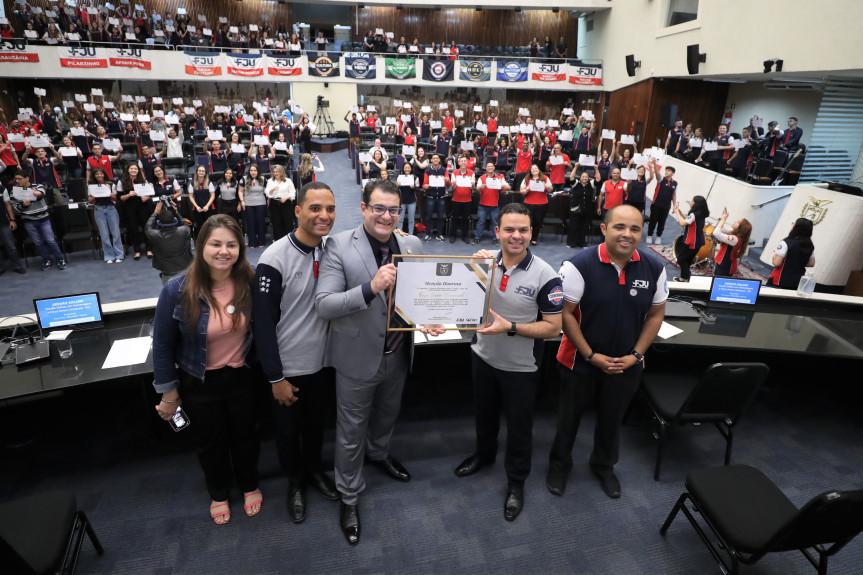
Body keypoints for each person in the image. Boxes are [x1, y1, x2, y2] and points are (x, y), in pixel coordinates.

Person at [314, 179, 425, 546]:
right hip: (357, 358)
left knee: (387, 415)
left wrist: (431, 316)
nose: (386, 216)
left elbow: (424, 295)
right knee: (350, 433)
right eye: (378, 208)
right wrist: (370, 288)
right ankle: (348, 497)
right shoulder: (338, 246)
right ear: (363, 208)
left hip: (398, 352)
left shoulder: (411, 244)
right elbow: (325, 304)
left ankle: (378, 454)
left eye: (393, 209)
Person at [548, 204, 667, 499]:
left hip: (626, 363)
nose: (627, 234)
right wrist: (590, 355)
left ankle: (603, 466)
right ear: (604, 229)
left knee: (612, 419)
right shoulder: (578, 265)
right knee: (568, 418)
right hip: (580, 361)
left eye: (635, 229)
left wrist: (636, 355)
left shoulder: (654, 268)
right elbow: (565, 314)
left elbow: (655, 315)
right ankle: (559, 465)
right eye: (619, 227)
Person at [454, 203, 563, 521]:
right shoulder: (485, 261)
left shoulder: (546, 274)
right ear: (497, 231)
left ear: (532, 232)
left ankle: (516, 482)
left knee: (519, 428)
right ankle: (484, 456)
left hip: (521, 368)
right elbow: (460, 297)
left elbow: (553, 327)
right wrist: (469, 267)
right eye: (510, 229)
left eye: (523, 230)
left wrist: (511, 327)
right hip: (483, 355)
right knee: (484, 415)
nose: (516, 236)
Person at [153, 214, 262, 526]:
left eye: (231, 244)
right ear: (200, 246)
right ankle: (218, 491)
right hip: (199, 380)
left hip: (242, 376)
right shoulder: (176, 289)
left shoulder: (249, 281)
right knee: (210, 442)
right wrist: (169, 393)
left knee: (247, 436)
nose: (223, 251)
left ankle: (249, 484)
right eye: (215, 244)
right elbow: (161, 345)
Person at [252, 182, 340, 524]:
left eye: (330, 209)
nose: (324, 215)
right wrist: (276, 377)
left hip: (323, 364)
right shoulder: (274, 258)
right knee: (288, 434)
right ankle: (295, 484)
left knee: (317, 426)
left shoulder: (332, 249)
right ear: (298, 211)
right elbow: (262, 325)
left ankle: (315, 471)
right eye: (315, 208)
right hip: (287, 370)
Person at [7, 172, 65, 270]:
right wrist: (23, 205)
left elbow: (41, 194)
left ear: (27, 178)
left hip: (43, 218)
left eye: (19, 178)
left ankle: (60, 259)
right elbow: (15, 208)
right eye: (15, 179)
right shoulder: (15, 192)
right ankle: (46, 260)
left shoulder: (38, 186)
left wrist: (32, 193)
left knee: (50, 240)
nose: (17, 181)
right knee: (38, 242)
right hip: (28, 220)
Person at [146, 199, 193, 284]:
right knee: (188, 293)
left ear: (159, 223)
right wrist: (176, 212)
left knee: (170, 294)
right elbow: (184, 223)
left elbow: (148, 226)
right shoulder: (184, 230)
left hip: (167, 271)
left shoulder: (155, 235)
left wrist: (156, 212)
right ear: (174, 221)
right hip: (185, 268)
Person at [87, 168, 124, 264]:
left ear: (104, 174)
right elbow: (90, 200)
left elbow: (116, 197)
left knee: (116, 233)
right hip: (99, 209)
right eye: (97, 174)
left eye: (101, 173)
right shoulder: (91, 186)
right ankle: (109, 256)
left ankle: (119, 254)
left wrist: (113, 196)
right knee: (104, 234)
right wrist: (92, 198)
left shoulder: (111, 184)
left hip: (111, 208)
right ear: (94, 176)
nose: (99, 175)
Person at [767, 218, 815, 289]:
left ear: (797, 228)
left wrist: (774, 257)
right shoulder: (810, 245)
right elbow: (811, 263)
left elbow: (776, 263)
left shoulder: (786, 243)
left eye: (793, 224)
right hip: (797, 281)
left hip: (780, 280)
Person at [672, 195, 710, 282]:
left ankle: (689, 277)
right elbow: (689, 220)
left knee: (681, 259)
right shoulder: (701, 213)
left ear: (696, 204)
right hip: (699, 240)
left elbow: (682, 223)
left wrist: (677, 213)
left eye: (692, 200)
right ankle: (682, 278)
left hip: (692, 241)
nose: (691, 202)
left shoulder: (694, 214)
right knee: (688, 260)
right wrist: (680, 212)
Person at [473, 161, 510, 245]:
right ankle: (477, 238)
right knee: (481, 222)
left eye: (491, 166)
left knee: (495, 223)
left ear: (494, 168)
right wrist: (481, 187)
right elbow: (477, 190)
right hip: (483, 205)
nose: (490, 168)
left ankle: (495, 238)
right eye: (488, 166)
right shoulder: (482, 178)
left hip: (495, 205)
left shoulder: (500, 177)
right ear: (486, 168)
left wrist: (504, 186)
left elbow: (509, 187)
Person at [712, 209, 752, 277]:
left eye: (738, 222)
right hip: (723, 263)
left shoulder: (735, 239)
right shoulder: (735, 234)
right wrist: (724, 217)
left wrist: (723, 219)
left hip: (726, 266)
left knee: (719, 283)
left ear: (741, 228)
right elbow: (722, 228)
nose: (735, 222)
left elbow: (716, 233)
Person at [519, 163, 552, 246]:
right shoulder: (526, 179)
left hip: (542, 204)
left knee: (538, 222)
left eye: (536, 168)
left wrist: (547, 186)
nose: (534, 170)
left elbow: (550, 189)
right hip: (529, 203)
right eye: (532, 169)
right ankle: (527, 238)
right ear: (530, 171)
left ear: (538, 170)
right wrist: (526, 189)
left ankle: (534, 239)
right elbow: (521, 191)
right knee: (528, 222)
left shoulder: (545, 178)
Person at [567, 168, 600, 248]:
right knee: (574, 226)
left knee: (583, 227)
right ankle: (571, 243)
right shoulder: (576, 184)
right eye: (583, 177)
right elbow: (571, 177)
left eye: (586, 177)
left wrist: (596, 169)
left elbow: (598, 179)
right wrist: (575, 167)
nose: (584, 178)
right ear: (580, 177)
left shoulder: (591, 184)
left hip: (586, 210)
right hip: (575, 209)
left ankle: (582, 243)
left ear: (588, 178)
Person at [646, 164, 677, 245]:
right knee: (653, 221)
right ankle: (649, 235)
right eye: (666, 170)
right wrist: (654, 163)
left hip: (666, 207)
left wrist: (674, 206)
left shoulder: (675, 183)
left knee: (662, 222)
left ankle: (658, 236)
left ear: (673, 173)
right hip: (656, 205)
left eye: (669, 170)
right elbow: (657, 173)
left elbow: (674, 194)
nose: (666, 171)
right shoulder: (661, 179)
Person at [422, 153, 450, 241]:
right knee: (428, 217)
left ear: (439, 160)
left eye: (436, 158)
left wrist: (447, 180)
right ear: (431, 160)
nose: (435, 159)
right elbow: (424, 185)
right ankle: (428, 233)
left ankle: (439, 234)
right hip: (430, 197)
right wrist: (425, 187)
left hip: (441, 197)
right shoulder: (427, 171)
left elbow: (448, 184)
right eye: (433, 158)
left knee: (440, 217)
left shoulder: (444, 170)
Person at [265, 164, 296, 242]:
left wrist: (286, 197)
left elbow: (293, 193)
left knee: (288, 222)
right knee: (276, 223)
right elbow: (267, 193)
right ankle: (278, 241)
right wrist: (272, 190)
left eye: (277, 172)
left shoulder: (288, 180)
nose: (275, 173)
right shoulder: (270, 181)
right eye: (274, 172)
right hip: (274, 204)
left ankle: (289, 241)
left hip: (286, 204)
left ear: (281, 172)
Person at [448, 156, 475, 244]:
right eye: (461, 161)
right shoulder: (454, 172)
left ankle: (465, 236)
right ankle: (453, 236)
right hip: (456, 200)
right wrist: (454, 184)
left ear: (467, 163)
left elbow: (473, 188)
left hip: (467, 200)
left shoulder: (471, 173)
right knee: (454, 218)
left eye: (465, 161)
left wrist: (473, 185)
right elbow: (453, 188)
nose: (463, 162)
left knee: (465, 219)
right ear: (459, 163)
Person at [241, 164, 267, 248]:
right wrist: (242, 201)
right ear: (249, 172)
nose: (253, 172)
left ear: (258, 171)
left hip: (261, 203)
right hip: (248, 204)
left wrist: (269, 200)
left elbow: (268, 191)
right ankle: (252, 242)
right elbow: (240, 191)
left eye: (254, 170)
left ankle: (261, 241)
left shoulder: (263, 179)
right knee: (250, 223)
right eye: (251, 170)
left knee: (260, 222)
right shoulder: (244, 179)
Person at [0, 191, 25, 275]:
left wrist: (12, 219)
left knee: (11, 246)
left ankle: (17, 266)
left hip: (3, 222)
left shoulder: (2, 189)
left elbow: (8, 205)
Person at [188, 165, 216, 235]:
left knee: (209, 226)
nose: (201, 172)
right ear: (197, 172)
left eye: (203, 171)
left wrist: (207, 206)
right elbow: (191, 196)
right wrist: (196, 206)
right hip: (197, 208)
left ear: (205, 173)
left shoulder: (209, 182)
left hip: (208, 208)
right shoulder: (192, 183)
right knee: (200, 227)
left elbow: (213, 195)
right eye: (199, 171)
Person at [397, 162, 419, 235]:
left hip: (412, 201)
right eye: (405, 168)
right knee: (400, 219)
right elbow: (396, 190)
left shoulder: (415, 177)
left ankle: (411, 234)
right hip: (402, 201)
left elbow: (418, 189)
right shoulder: (400, 177)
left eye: (408, 168)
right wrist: (397, 186)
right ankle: (399, 234)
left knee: (411, 219)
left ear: (411, 168)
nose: (407, 169)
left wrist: (414, 187)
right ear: (403, 168)